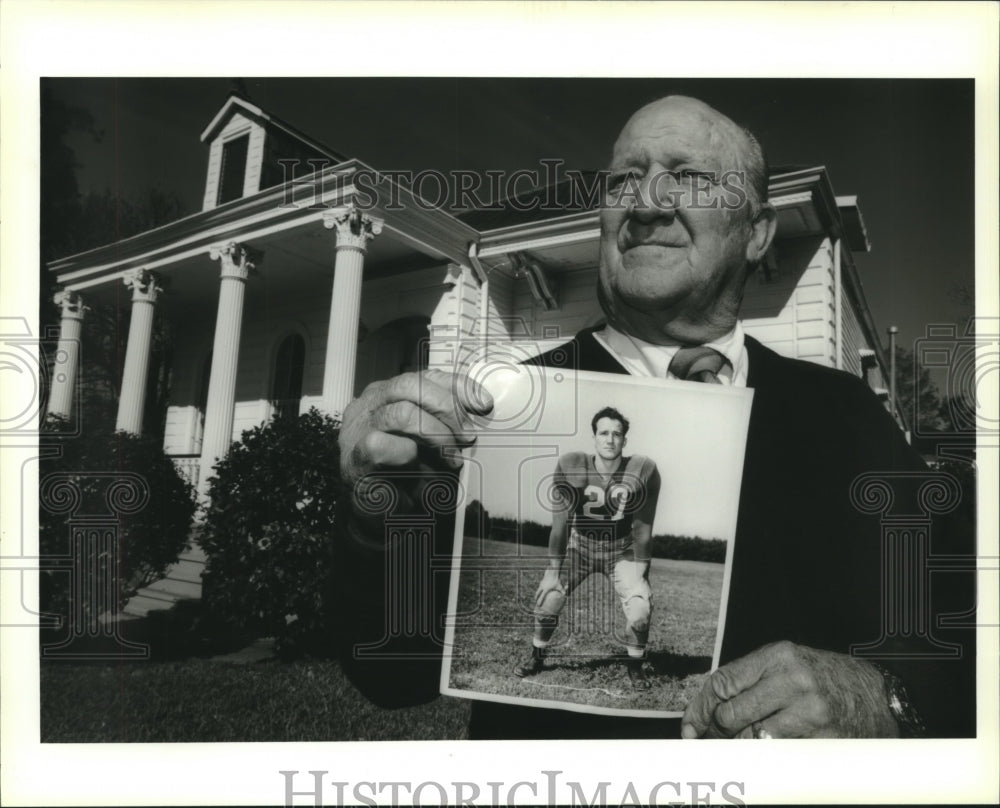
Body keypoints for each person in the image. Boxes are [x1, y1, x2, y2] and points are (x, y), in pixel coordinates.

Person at [334, 95, 974, 739]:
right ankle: (537, 650)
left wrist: (881, 699)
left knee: (635, 606)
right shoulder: (503, 407)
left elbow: (963, 627)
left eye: (688, 176)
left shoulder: (846, 414)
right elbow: (391, 674)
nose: (646, 202)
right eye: (624, 179)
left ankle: (637, 659)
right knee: (549, 601)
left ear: (756, 231)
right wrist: (375, 516)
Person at [513, 407, 661, 689]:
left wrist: (642, 571)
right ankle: (537, 655)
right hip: (580, 546)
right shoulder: (574, 465)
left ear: (624, 441)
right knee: (549, 597)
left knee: (641, 607)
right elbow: (561, 523)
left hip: (621, 550)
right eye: (604, 433)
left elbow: (644, 526)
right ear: (594, 437)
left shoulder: (642, 469)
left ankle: (635, 666)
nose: (610, 439)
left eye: (617, 434)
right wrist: (552, 571)